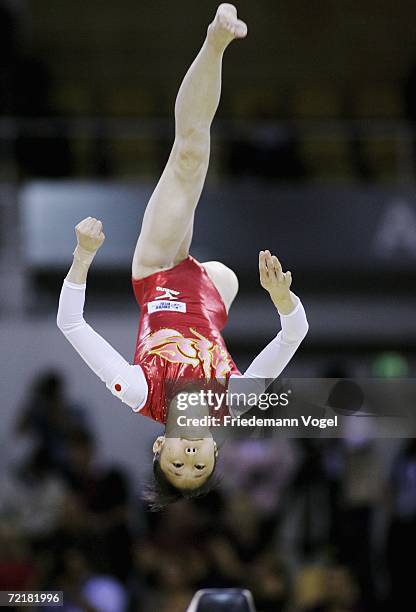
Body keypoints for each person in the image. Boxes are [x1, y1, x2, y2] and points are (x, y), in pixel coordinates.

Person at [57, 4, 309, 510]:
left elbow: (71, 323)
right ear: (216, 449)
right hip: (216, 291)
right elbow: (294, 333)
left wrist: (82, 256)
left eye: (177, 462)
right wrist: (283, 298)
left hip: (156, 273)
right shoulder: (232, 403)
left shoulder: (138, 392)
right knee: (223, 275)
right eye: (200, 464)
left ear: (160, 444)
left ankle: (216, 40)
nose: (190, 454)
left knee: (191, 154)